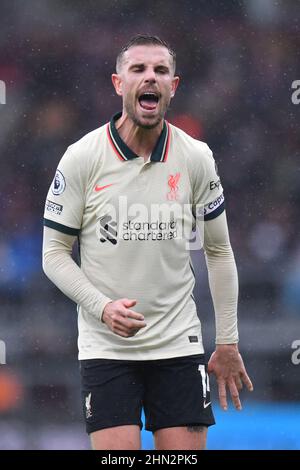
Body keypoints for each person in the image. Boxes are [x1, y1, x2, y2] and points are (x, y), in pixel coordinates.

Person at [42, 34, 253, 451]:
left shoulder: (195, 157)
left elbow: (218, 250)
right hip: (107, 346)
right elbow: (53, 254)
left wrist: (227, 340)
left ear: (173, 86)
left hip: (178, 343)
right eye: (138, 69)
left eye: (160, 70)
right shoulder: (82, 157)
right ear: (119, 83)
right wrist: (102, 307)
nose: (149, 78)